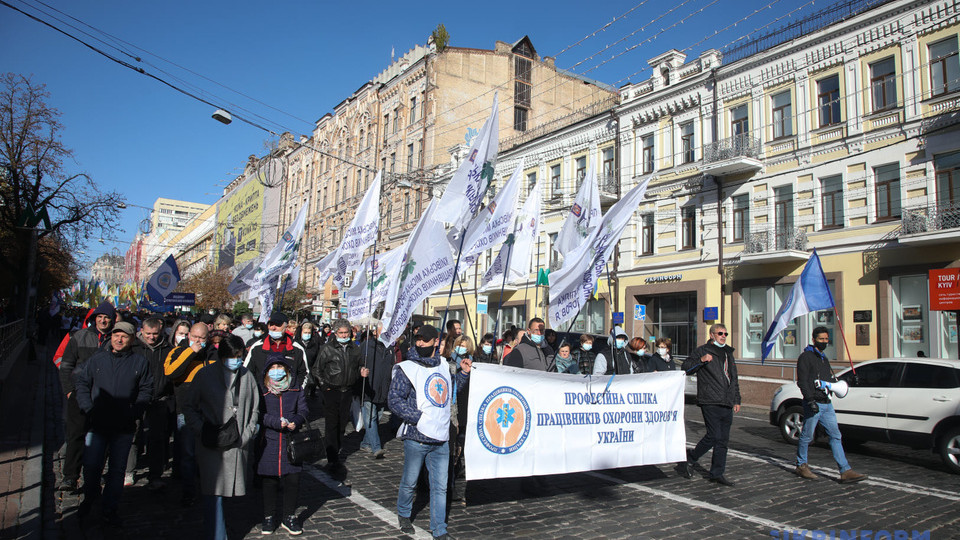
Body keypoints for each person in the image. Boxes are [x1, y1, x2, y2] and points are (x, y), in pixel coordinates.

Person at [388, 325, 471, 539]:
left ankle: (439, 529)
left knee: (440, 486)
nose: (420, 343)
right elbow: (394, 399)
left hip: (441, 437)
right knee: (410, 481)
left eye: (425, 340)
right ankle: (404, 514)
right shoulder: (406, 367)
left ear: (436, 342)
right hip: (417, 436)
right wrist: (418, 418)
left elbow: (449, 392)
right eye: (418, 340)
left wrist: (463, 373)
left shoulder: (444, 365)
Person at [74, 321, 153, 525]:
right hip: (97, 423)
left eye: (124, 336)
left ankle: (110, 507)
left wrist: (135, 411)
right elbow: (82, 383)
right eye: (116, 335)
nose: (119, 339)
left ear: (132, 339)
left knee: (117, 470)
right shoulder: (97, 359)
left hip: (124, 426)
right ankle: (90, 499)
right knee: (91, 466)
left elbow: (146, 390)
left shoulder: (140, 362)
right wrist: (88, 407)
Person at [183, 334, 260, 540]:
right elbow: (189, 406)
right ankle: (217, 534)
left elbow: (254, 409)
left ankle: (221, 528)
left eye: (239, 355)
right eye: (232, 356)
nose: (236, 359)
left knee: (228, 493)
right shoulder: (205, 375)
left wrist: (247, 433)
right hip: (211, 442)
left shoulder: (247, 376)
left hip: (236, 443)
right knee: (213, 493)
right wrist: (201, 429)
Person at [794, 327, 867, 483]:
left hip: (826, 403)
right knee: (807, 436)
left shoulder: (823, 358)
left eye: (827, 339)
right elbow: (803, 381)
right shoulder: (805, 357)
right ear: (814, 340)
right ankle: (801, 465)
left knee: (835, 435)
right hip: (813, 403)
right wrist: (810, 400)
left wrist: (845, 383)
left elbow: (828, 380)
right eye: (821, 339)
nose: (825, 342)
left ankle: (845, 470)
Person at [57, 300, 116, 492]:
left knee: (101, 437)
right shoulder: (79, 336)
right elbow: (65, 365)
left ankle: (94, 475)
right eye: (99, 317)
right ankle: (70, 477)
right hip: (79, 394)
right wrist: (68, 390)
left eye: (107, 317)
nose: (103, 321)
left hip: (106, 396)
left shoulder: (116, 339)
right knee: (75, 435)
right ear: (93, 319)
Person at [164, 323, 218, 506]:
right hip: (185, 410)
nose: (198, 341)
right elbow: (171, 372)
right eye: (194, 337)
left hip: (208, 411)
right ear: (188, 336)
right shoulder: (178, 351)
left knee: (207, 452)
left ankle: (208, 487)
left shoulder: (214, 353)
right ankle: (188, 491)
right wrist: (190, 352)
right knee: (188, 453)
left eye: (202, 338)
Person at [680, 323, 741, 486]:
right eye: (720, 333)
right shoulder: (703, 350)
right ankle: (691, 458)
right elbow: (686, 368)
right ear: (712, 334)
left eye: (725, 334)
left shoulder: (728, 353)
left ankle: (717, 472)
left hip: (727, 401)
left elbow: (733, 377)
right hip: (710, 399)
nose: (723, 336)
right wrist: (701, 360)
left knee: (723, 440)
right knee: (713, 435)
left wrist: (736, 399)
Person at [257, 354, 309, 535]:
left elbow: (303, 410)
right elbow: (258, 414)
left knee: (292, 479)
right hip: (269, 440)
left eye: (280, 367)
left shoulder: (295, 389)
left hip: (291, 440)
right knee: (269, 480)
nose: (277, 371)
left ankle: (289, 515)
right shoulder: (262, 390)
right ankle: (269, 516)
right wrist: (274, 422)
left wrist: (296, 420)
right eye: (273, 368)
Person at [317, 319, 368, 477]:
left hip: (347, 391)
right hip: (332, 390)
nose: (344, 335)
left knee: (342, 424)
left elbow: (359, 365)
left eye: (347, 333)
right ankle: (332, 458)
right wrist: (325, 386)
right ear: (335, 333)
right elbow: (317, 370)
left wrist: (361, 371)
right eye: (341, 333)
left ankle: (337, 450)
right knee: (331, 424)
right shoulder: (327, 349)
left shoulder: (355, 349)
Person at [133, 317, 175, 490]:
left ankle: (155, 475)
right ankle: (128, 471)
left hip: (159, 399)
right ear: (142, 331)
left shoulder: (168, 349)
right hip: (136, 398)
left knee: (157, 438)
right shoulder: (134, 347)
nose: (151, 337)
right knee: (133, 436)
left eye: (155, 334)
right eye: (148, 334)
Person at [244, 312, 309, 389]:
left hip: (289, 397)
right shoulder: (257, 347)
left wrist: (296, 393)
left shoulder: (297, 349)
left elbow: (304, 373)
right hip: (262, 396)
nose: (273, 328)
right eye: (271, 324)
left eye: (278, 325)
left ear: (286, 327)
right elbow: (247, 371)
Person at [358, 326, 392, 459]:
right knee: (370, 418)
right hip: (368, 388)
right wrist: (361, 371)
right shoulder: (367, 346)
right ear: (375, 332)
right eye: (382, 330)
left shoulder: (389, 349)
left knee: (376, 417)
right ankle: (376, 447)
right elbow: (357, 363)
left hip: (382, 389)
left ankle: (365, 442)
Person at [296, 321, 321, 395]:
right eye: (305, 332)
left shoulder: (314, 344)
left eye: (309, 333)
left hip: (310, 374)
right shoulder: (296, 344)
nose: (307, 334)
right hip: (298, 375)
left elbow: (317, 360)